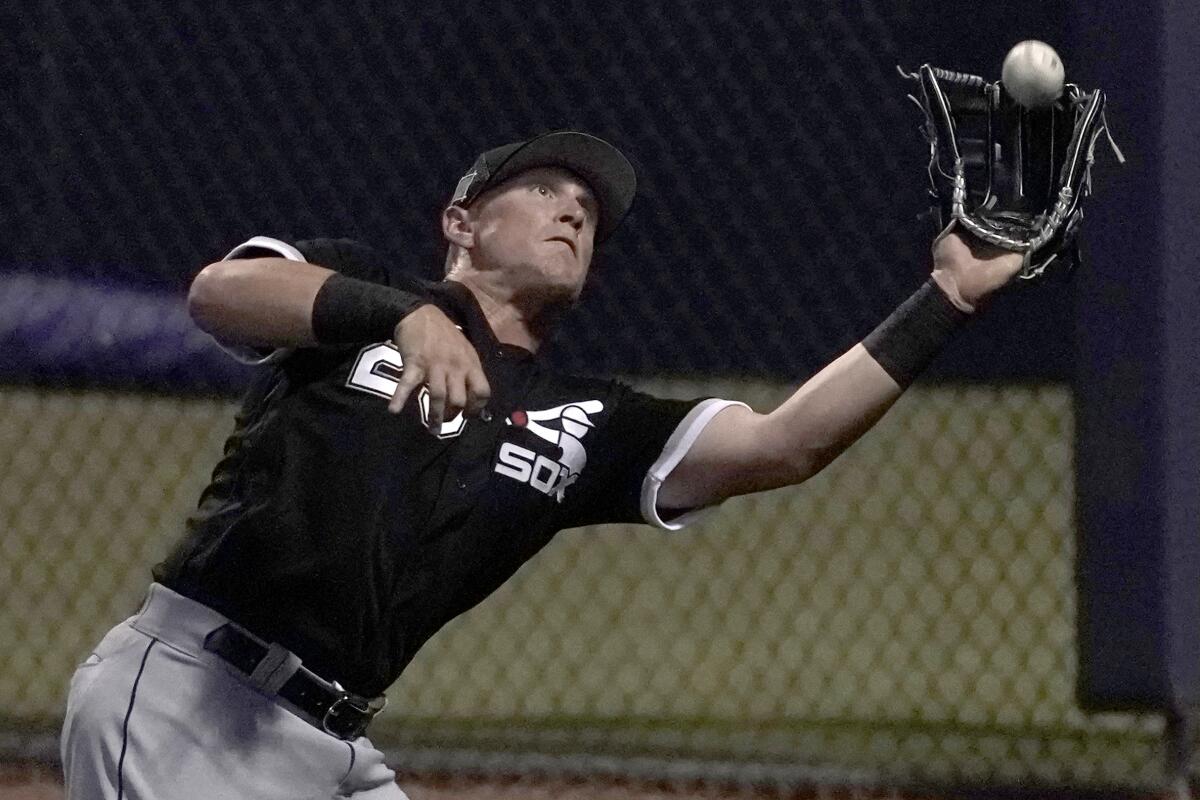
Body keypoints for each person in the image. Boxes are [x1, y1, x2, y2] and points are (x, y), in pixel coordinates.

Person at [60, 131, 1024, 799]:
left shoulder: (585, 421)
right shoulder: (371, 288)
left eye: (590, 212)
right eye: (544, 191)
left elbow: (786, 444)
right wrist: (402, 315)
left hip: (327, 746)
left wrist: (946, 299)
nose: (574, 212)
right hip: (187, 700)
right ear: (461, 222)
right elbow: (220, 292)